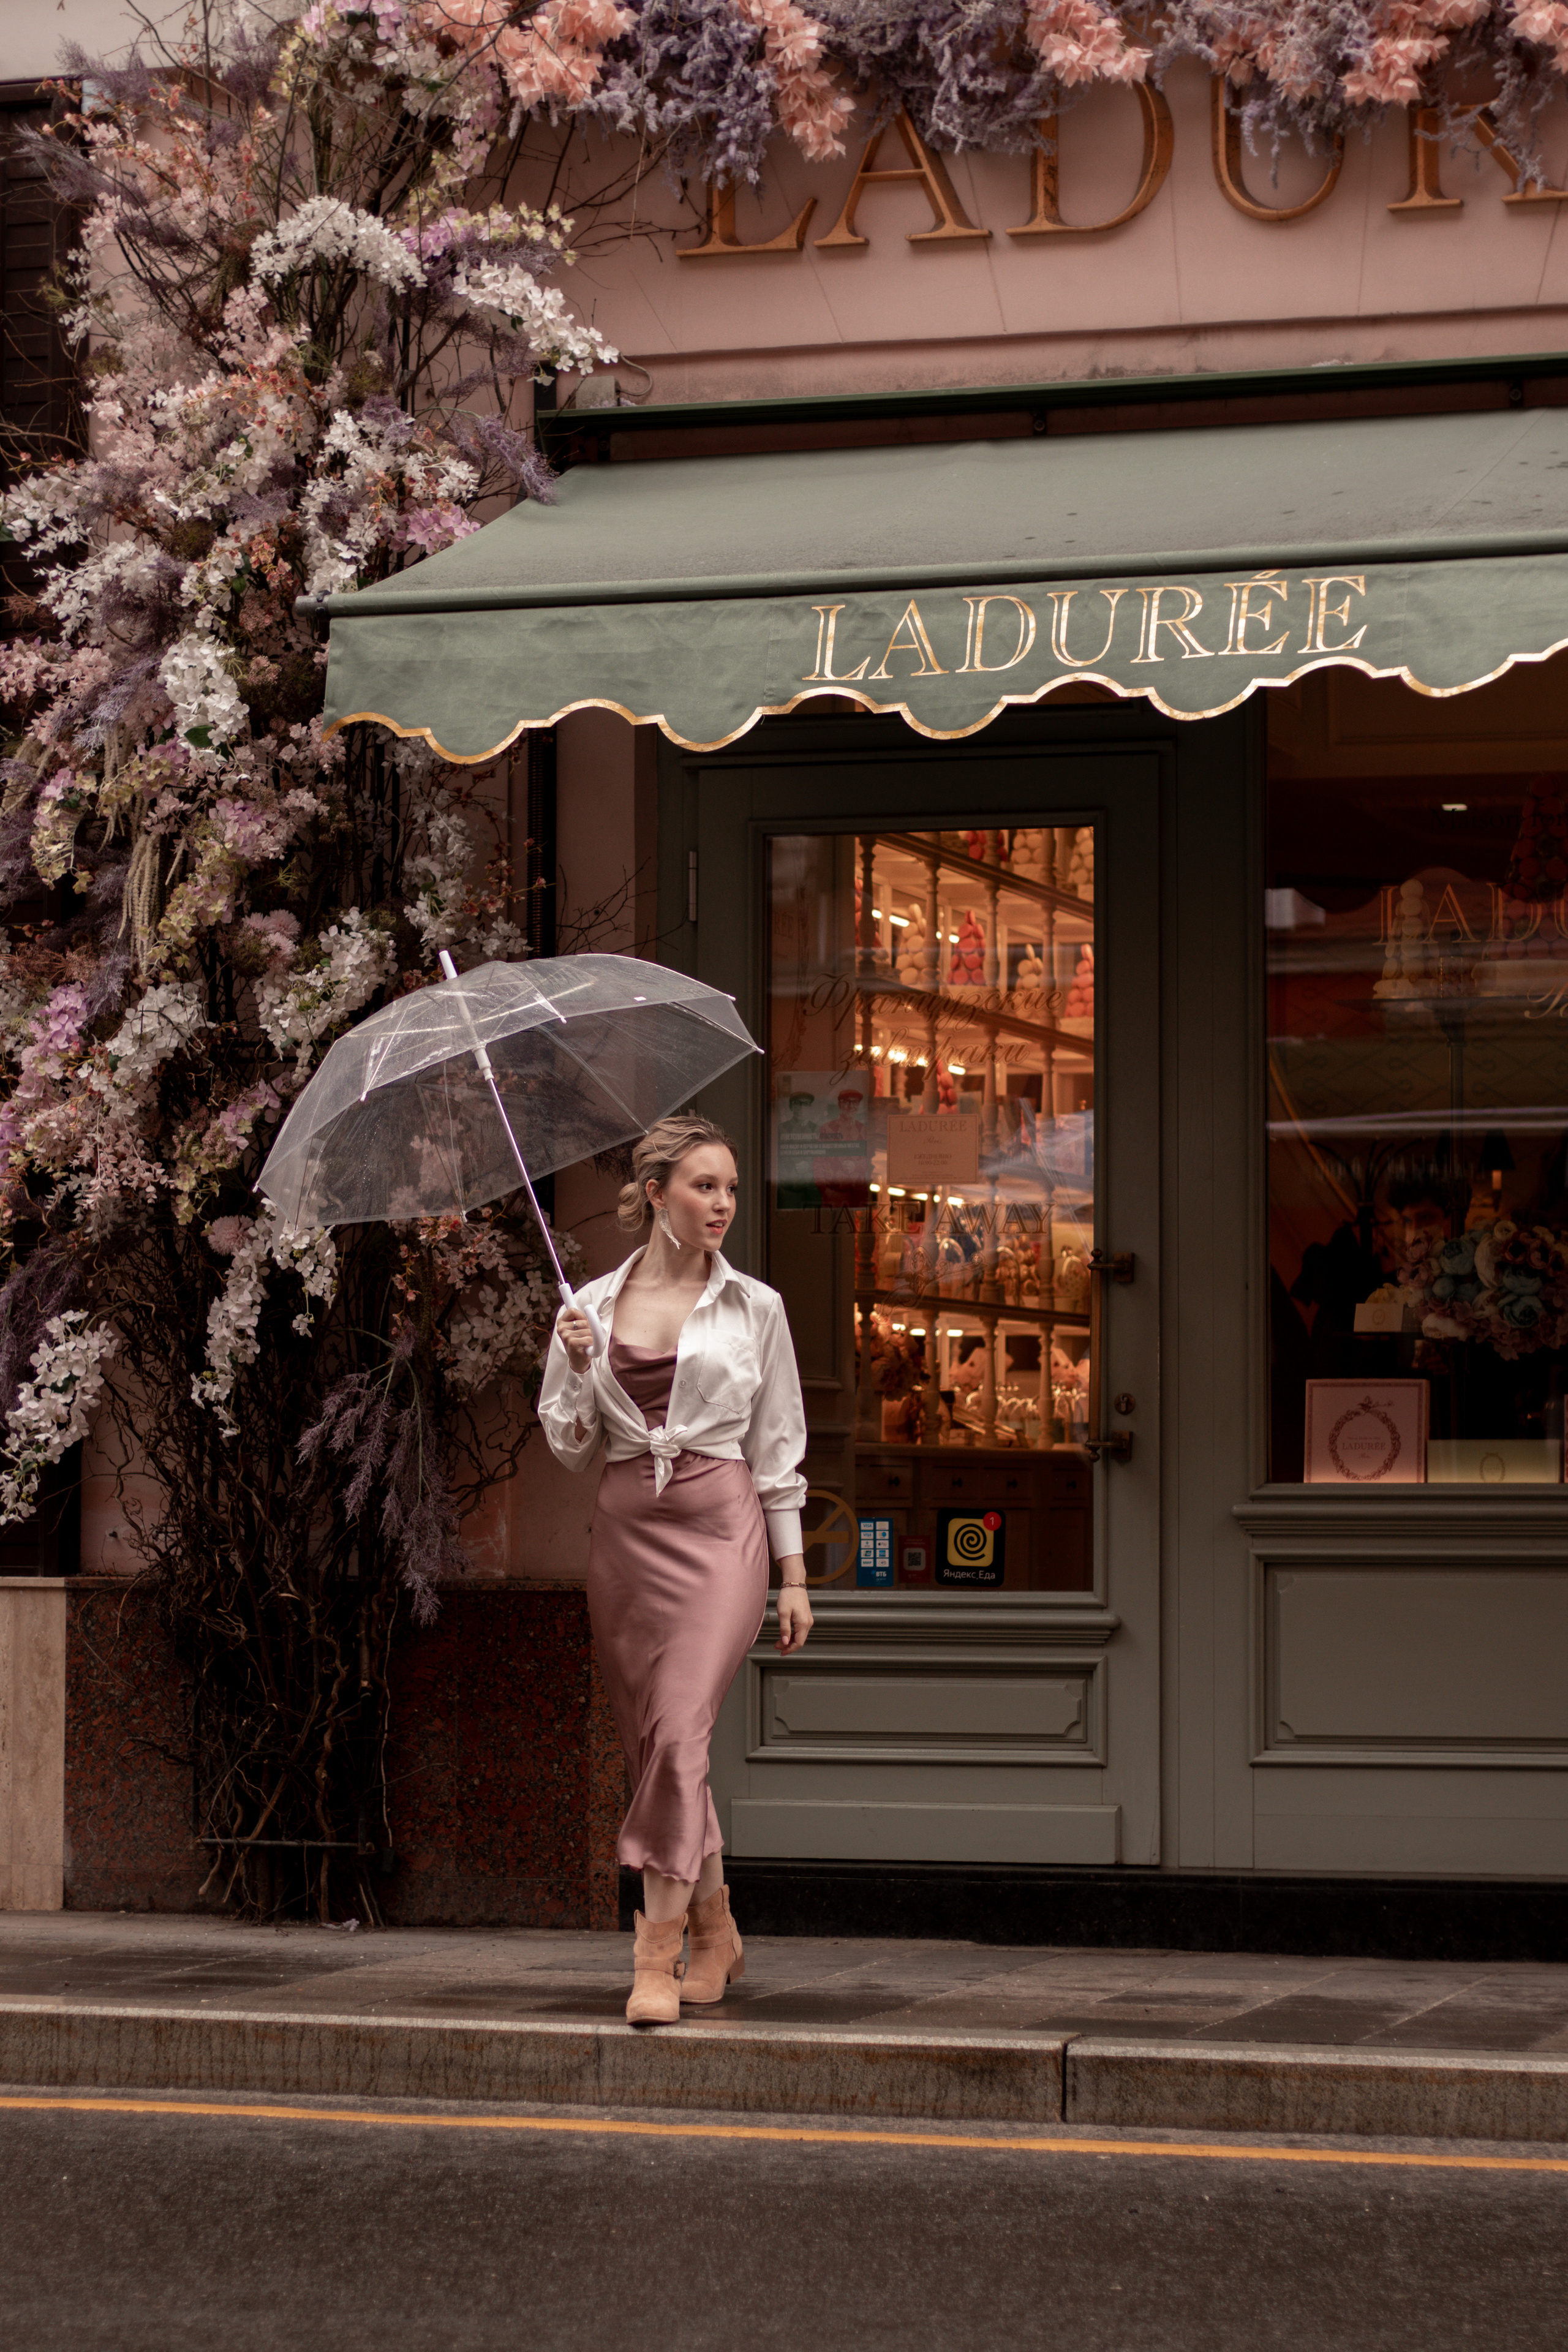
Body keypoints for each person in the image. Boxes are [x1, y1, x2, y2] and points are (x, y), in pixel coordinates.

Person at [538, 1112, 813, 2027]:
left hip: (720, 1528)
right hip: (626, 1536)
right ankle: (717, 1929)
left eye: (730, 1188)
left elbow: (777, 1449)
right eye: (705, 1186)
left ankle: (652, 1958)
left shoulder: (756, 1308)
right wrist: (579, 1369)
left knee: (681, 1734)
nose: (723, 1204)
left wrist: (794, 1572)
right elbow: (573, 1447)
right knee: (661, 1748)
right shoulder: (591, 1308)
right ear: (655, 1194)